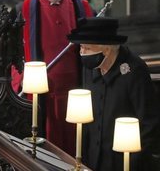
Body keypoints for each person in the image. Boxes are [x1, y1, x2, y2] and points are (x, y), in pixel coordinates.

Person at [11, 0, 94, 156]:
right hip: (42, 99)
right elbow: (10, 57)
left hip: (77, 97)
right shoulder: (22, 11)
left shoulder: (83, 8)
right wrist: (21, 79)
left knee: (77, 153)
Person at [67, 17, 159, 171]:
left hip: (125, 162)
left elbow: (149, 123)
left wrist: (132, 161)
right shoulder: (89, 69)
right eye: (81, 47)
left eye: (87, 48)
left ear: (106, 49)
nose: (82, 53)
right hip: (92, 161)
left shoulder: (134, 70)